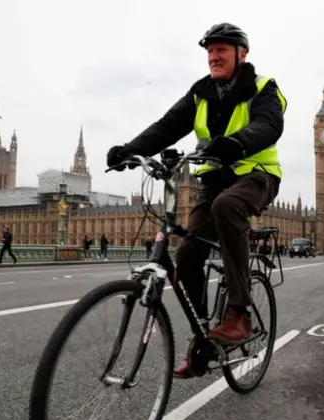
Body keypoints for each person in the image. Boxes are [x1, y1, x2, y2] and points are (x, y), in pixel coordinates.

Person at [106, 23, 286, 379]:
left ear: (241, 54)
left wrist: (237, 142)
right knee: (186, 254)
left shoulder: (263, 88)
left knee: (227, 207)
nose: (214, 56)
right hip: (215, 180)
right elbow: (167, 125)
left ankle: (239, 312)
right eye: (210, 51)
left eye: (221, 50)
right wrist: (131, 149)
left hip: (257, 175)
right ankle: (202, 340)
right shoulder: (201, 93)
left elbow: (270, 124)